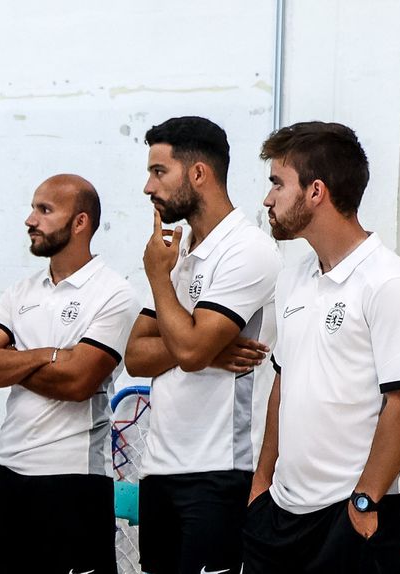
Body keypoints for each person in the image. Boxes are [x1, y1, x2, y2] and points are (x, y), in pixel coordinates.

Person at [243, 122, 400, 573]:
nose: (268, 198)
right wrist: (262, 482)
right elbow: (282, 385)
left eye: (277, 183)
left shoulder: (388, 283)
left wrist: (365, 501)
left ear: (316, 192)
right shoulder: (293, 278)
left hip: (356, 515)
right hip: (282, 511)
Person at [125, 116, 281, 574]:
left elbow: (189, 353)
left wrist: (158, 280)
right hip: (160, 469)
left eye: (158, 172)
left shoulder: (245, 250)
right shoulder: (181, 251)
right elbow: (135, 357)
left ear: (198, 174)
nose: (148, 188)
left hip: (220, 472)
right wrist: (205, 346)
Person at [0, 174, 137, 574]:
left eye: (45, 210)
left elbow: (78, 382)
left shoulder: (114, 293)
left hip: (72, 480)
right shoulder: (20, 291)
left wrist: (13, 359)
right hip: (10, 472)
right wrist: (49, 355)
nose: (31, 220)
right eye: (33, 208)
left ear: (80, 223)